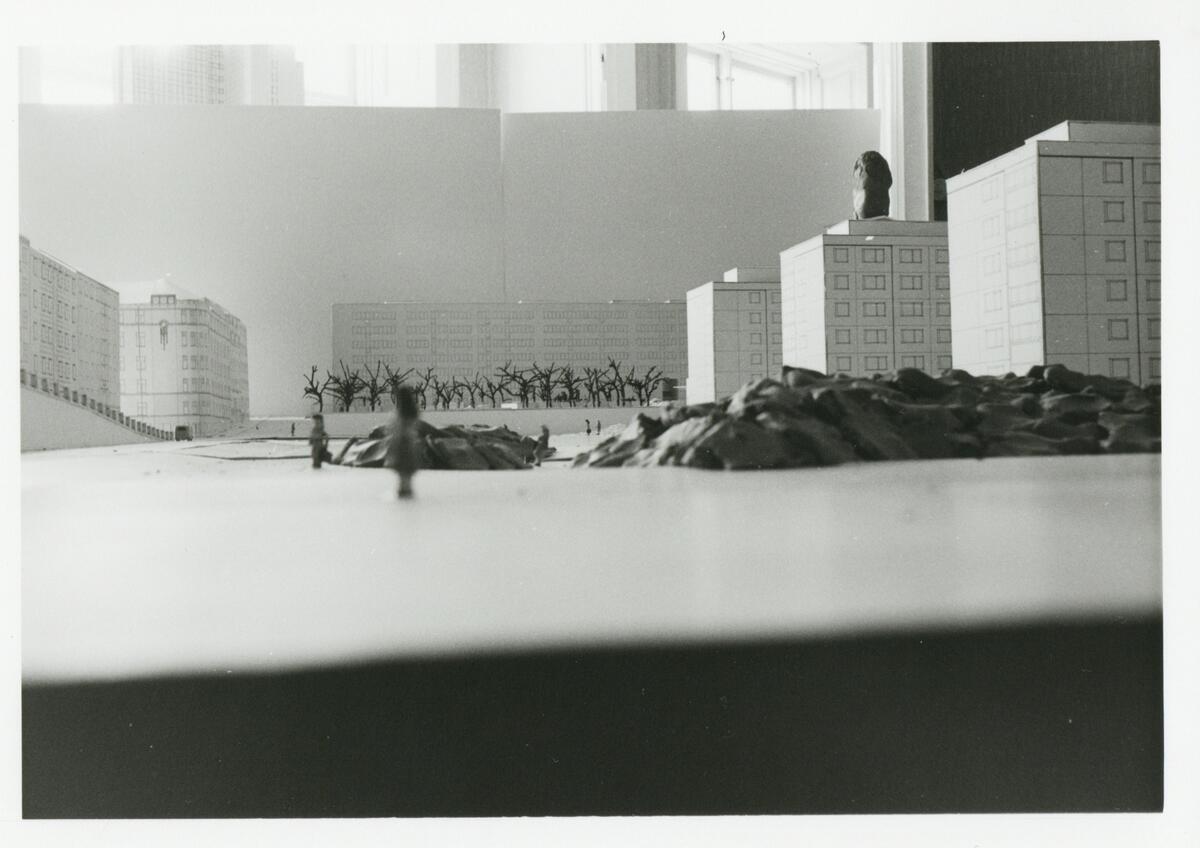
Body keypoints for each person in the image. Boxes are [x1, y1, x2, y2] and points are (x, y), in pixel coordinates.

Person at [385, 385, 421, 498]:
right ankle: (407, 489)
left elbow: (395, 430)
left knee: (402, 469)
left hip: (401, 442)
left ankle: (403, 490)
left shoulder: (399, 414)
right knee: (408, 469)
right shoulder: (413, 412)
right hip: (410, 442)